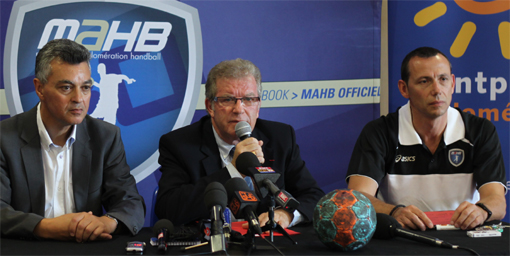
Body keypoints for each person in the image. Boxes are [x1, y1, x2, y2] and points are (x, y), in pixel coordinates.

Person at [346, 47, 506, 231]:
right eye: (424, 81)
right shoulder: (379, 132)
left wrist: (482, 211)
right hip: (402, 237)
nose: (437, 90)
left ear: (452, 84)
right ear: (404, 89)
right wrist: (394, 212)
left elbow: (497, 201)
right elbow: (357, 197)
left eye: (443, 79)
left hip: (462, 236)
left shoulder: (480, 130)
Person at [0, 39, 145, 242]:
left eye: (85, 87)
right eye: (67, 88)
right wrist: (46, 227)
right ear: (40, 88)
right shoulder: (4, 139)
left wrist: (107, 222)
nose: (79, 98)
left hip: (84, 249)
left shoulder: (105, 137)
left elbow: (130, 202)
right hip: (24, 248)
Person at [156, 58, 324, 228]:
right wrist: (234, 169)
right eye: (227, 100)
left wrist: (287, 214)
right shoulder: (179, 144)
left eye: (249, 99)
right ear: (210, 106)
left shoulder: (280, 138)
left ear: (258, 107)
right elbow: (168, 208)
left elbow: (314, 196)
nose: (239, 109)